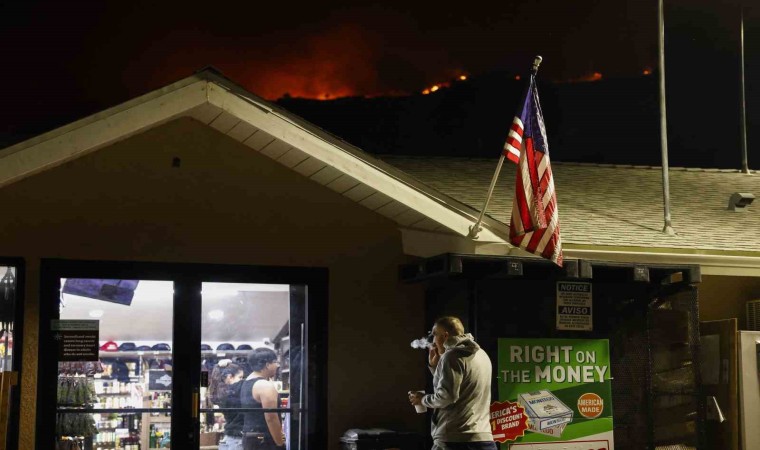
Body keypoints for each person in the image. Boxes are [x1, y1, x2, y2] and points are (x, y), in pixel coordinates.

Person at [409, 316, 495, 450]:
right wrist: (437, 368)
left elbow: (447, 396)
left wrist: (423, 400)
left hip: (454, 439)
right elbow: (463, 386)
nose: (433, 340)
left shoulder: (451, 356)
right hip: (483, 439)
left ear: (445, 335)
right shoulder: (481, 354)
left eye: (435, 334)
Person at [241, 348, 286, 450]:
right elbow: (271, 418)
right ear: (267, 365)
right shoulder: (264, 385)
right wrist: (280, 444)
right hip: (264, 440)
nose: (278, 365)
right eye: (275, 362)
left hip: (250, 437)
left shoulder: (247, 382)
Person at [218, 363, 246, 450]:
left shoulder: (222, 393)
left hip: (228, 436)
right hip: (238, 438)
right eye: (240, 377)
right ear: (230, 377)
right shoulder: (237, 393)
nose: (242, 381)